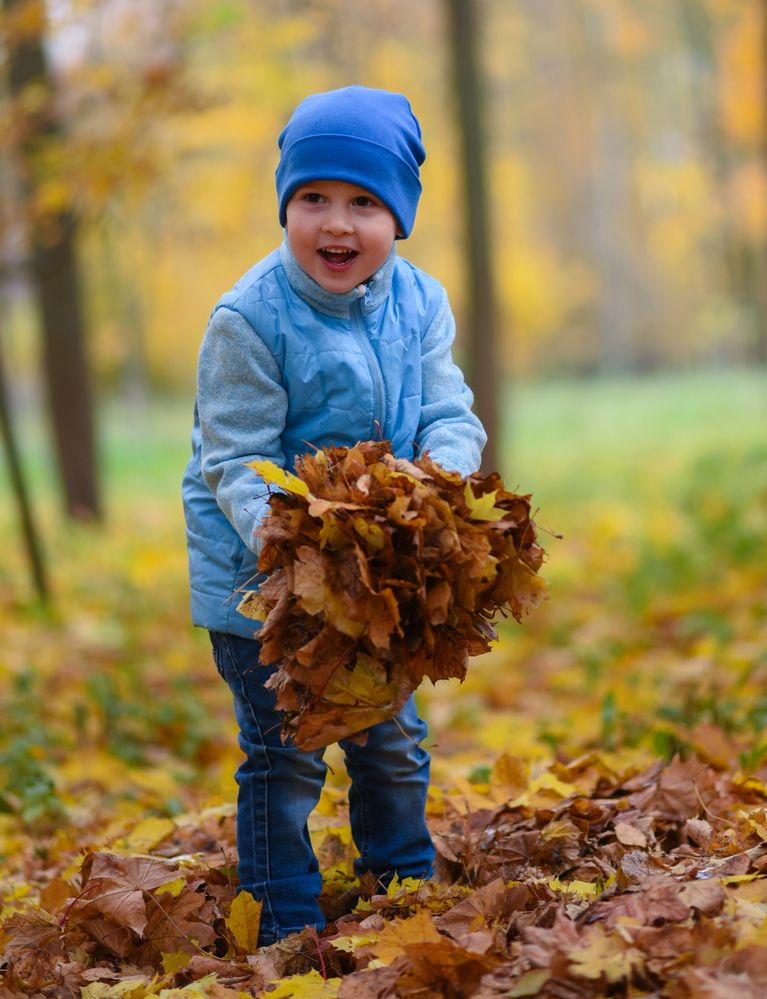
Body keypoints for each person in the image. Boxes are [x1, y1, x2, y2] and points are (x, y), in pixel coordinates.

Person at [182, 84, 486, 945]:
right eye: (312, 198)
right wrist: (296, 548)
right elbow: (234, 458)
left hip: (378, 580)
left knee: (391, 741)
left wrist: (436, 487)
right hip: (265, 589)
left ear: (399, 217)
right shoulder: (249, 318)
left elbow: (447, 411)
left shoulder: (420, 302)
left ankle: (402, 890)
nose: (336, 224)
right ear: (285, 205)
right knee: (284, 753)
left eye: (363, 203)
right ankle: (283, 920)